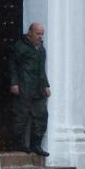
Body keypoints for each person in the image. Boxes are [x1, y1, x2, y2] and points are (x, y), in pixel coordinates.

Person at [9, 22, 51, 157]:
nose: (40, 36)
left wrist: (46, 85)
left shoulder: (41, 49)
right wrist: (14, 83)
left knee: (42, 116)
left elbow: (42, 69)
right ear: (30, 33)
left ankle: (36, 145)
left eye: (42, 34)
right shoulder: (19, 46)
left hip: (38, 89)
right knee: (21, 116)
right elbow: (12, 66)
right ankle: (19, 144)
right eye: (38, 33)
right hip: (24, 86)